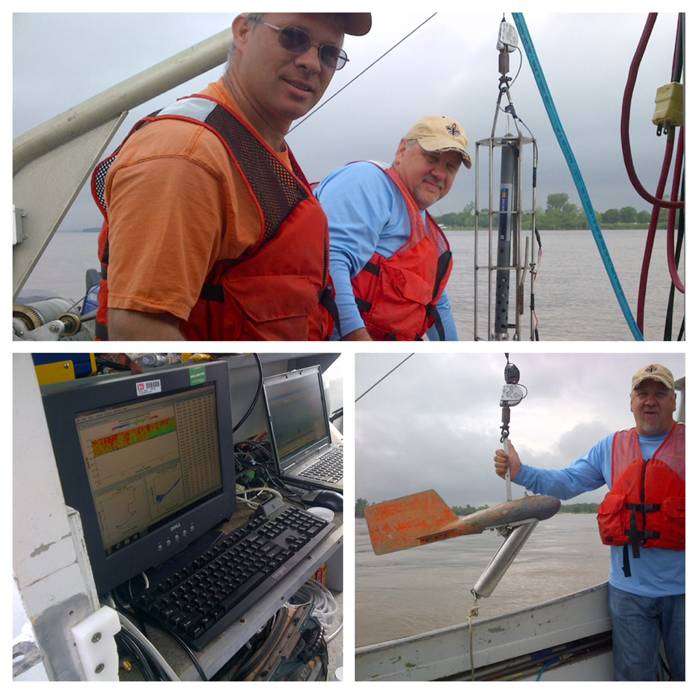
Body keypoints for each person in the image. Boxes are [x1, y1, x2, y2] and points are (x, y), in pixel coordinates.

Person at [92, 12, 371, 340]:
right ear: (242, 32)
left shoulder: (260, 143)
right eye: (293, 37)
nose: (312, 62)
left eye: (328, 53)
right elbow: (139, 330)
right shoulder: (187, 156)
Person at [493, 363, 684, 681]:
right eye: (642, 394)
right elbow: (567, 482)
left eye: (660, 394)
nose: (650, 401)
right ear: (631, 402)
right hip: (629, 595)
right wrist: (520, 472)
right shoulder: (610, 447)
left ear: (674, 402)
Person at [314, 115, 471, 341]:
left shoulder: (424, 228)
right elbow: (330, 261)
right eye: (431, 158)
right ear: (401, 150)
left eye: (450, 167)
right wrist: (358, 342)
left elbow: (437, 303)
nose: (440, 173)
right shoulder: (368, 181)